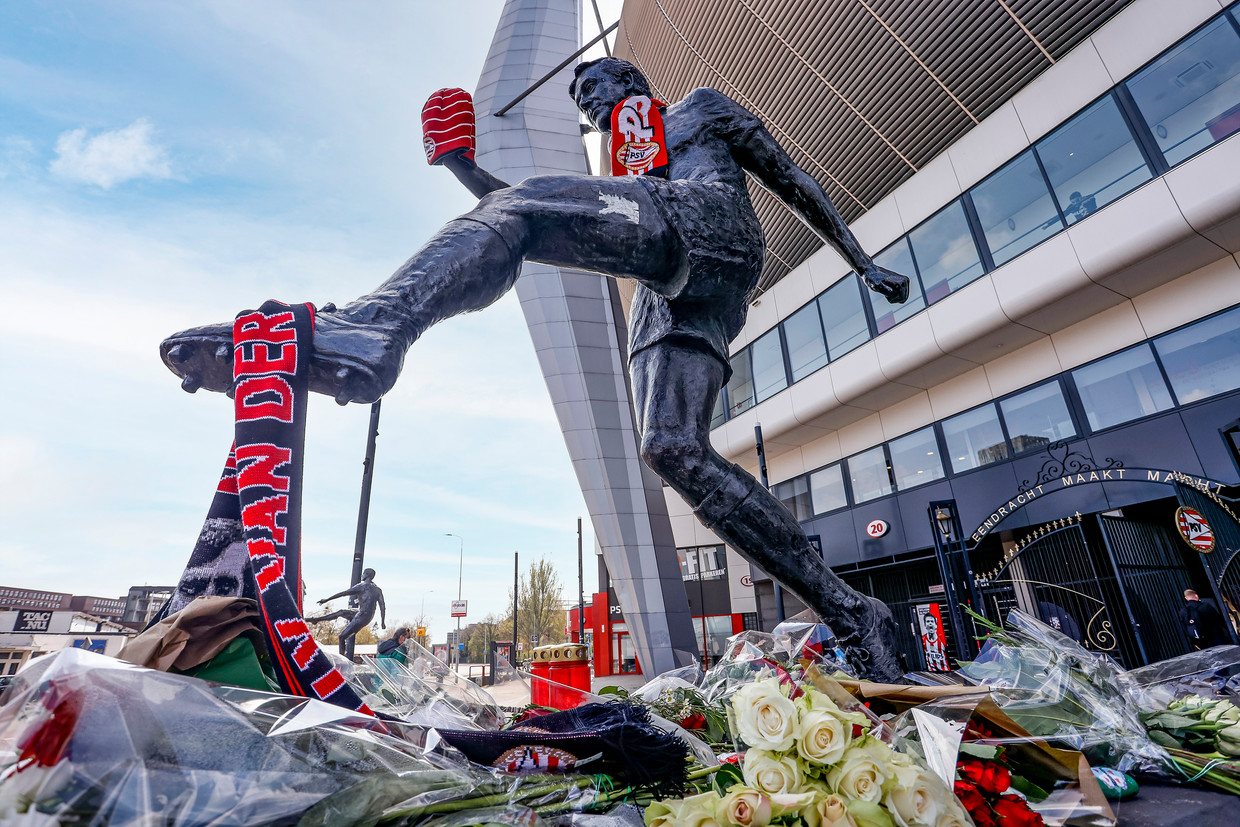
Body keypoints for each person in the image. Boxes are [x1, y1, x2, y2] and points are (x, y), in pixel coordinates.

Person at [160, 57, 910, 680]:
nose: (589, 108)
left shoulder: (698, 112)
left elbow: (789, 178)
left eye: (595, 92)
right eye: (582, 104)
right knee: (671, 450)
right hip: (670, 296)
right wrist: (462, 167)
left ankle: (374, 328)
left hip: (712, 229)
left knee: (530, 214)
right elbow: (530, 224)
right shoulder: (624, 161)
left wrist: (863, 261)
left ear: (630, 80)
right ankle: (855, 611)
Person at [306, 568, 387, 655]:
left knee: (342, 637)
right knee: (341, 612)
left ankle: (342, 659)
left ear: (367, 575)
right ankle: (315, 620)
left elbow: (343, 593)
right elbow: (382, 607)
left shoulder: (361, 586)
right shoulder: (378, 590)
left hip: (361, 616)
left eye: (363, 573)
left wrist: (326, 600)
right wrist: (383, 622)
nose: (362, 575)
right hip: (366, 615)